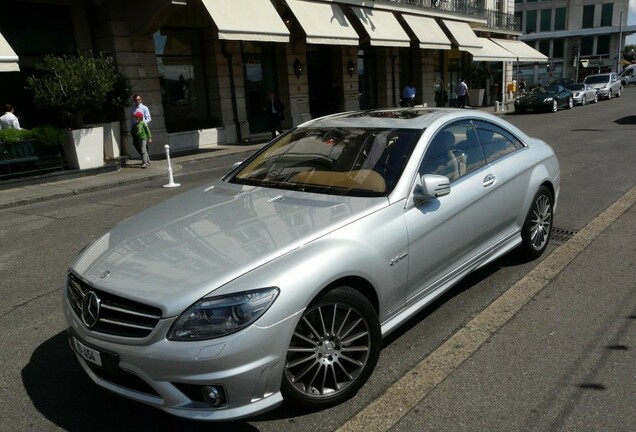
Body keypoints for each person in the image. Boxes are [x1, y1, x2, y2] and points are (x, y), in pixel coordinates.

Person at [130, 94, 151, 158]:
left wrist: (142, 123)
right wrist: (131, 128)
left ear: (141, 100)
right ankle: (144, 157)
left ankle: (146, 160)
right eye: (136, 100)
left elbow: (149, 118)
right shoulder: (132, 108)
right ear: (134, 101)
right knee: (136, 143)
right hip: (134, 128)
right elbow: (132, 119)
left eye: (139, 99)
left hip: (142, 128)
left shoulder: (144, 108)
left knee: (143, 144)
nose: (138, 101)